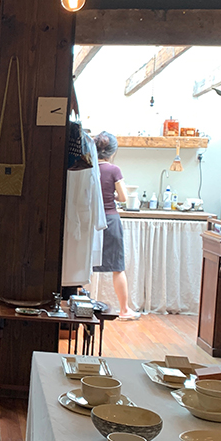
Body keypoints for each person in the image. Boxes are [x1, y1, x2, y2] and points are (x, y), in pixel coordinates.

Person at [93, 131, 140, 320]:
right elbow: (123, 197)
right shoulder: (114, 170)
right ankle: (124, 310)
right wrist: (111, 195)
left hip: (91, 220)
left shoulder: (87, 168)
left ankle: (78, 305)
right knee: (117, 267)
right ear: (112, 152)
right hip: (110, 220)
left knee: (85, 265)